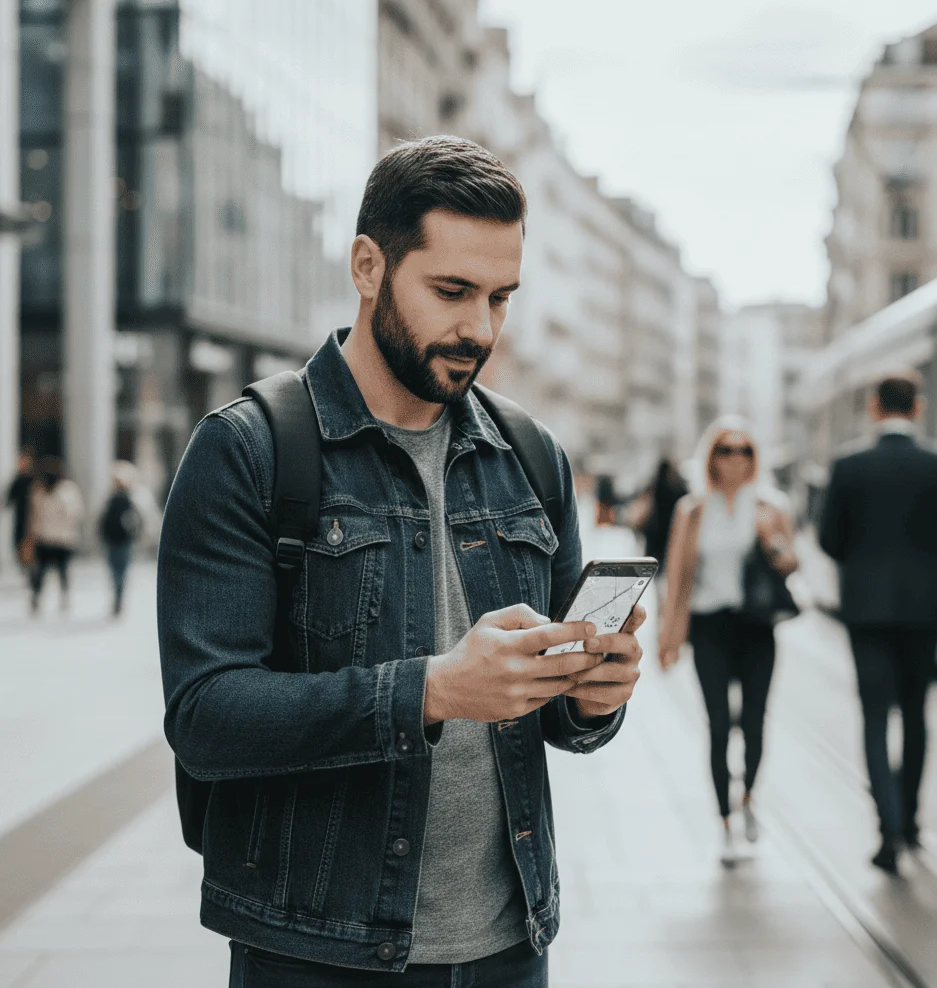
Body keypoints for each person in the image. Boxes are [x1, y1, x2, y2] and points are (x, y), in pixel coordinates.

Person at [158, 136, 644, 987]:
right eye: (451, 291)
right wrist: (433, 689)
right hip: (316, 954)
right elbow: (206, 717)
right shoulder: (248, 449)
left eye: (500, 297)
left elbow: (556, 717)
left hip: (509, 946)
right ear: (368, 266)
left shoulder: (531, 455)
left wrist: (592, 698)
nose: (479, 328)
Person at [658, 418, 797, 864]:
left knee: (754, 722)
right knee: (719, 726)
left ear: (754, 459)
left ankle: (749, 797)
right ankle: (724, 823)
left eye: (744, 450)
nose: (735, 459)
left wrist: (771, 540)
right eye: (725, 450)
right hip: (709, 628)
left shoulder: (771, 506)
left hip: (756, 628)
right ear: (711, 457)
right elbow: (676, 577)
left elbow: (791, 565)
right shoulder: (692, 510)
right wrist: (668, 638)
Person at [819, 372, 937, 874]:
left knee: (873, 716)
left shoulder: (849, 466)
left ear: (874, 407)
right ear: (918, 407)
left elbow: (829, 539)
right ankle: (910, 821)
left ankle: (886, 828)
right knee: (915, 714)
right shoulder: (934, 465)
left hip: (866, 610)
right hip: (924, 613)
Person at [27, 456, 84, 614]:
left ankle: (62, 597)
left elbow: (75, 513)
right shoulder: (40, 489)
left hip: (61, 539)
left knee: (60, 571)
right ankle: (39, 597)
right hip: (46, 538)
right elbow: (34, 514)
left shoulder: (66, 490)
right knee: (42, 572)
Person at [99, 461, 142, 616]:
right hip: (122, 541)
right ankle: (118, 597)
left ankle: (118, 598)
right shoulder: (127, 500)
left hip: (116, 541)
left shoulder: (116, 500)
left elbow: (103, 521)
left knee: (116, 571)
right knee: (120, 571)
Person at [5, 446, 35, 572]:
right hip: (20, 516)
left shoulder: (34, 479)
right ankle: (24, 566)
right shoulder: (17, 480)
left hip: (33, 516)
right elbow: (9, 498)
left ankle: (30, 567)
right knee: (18, 541)